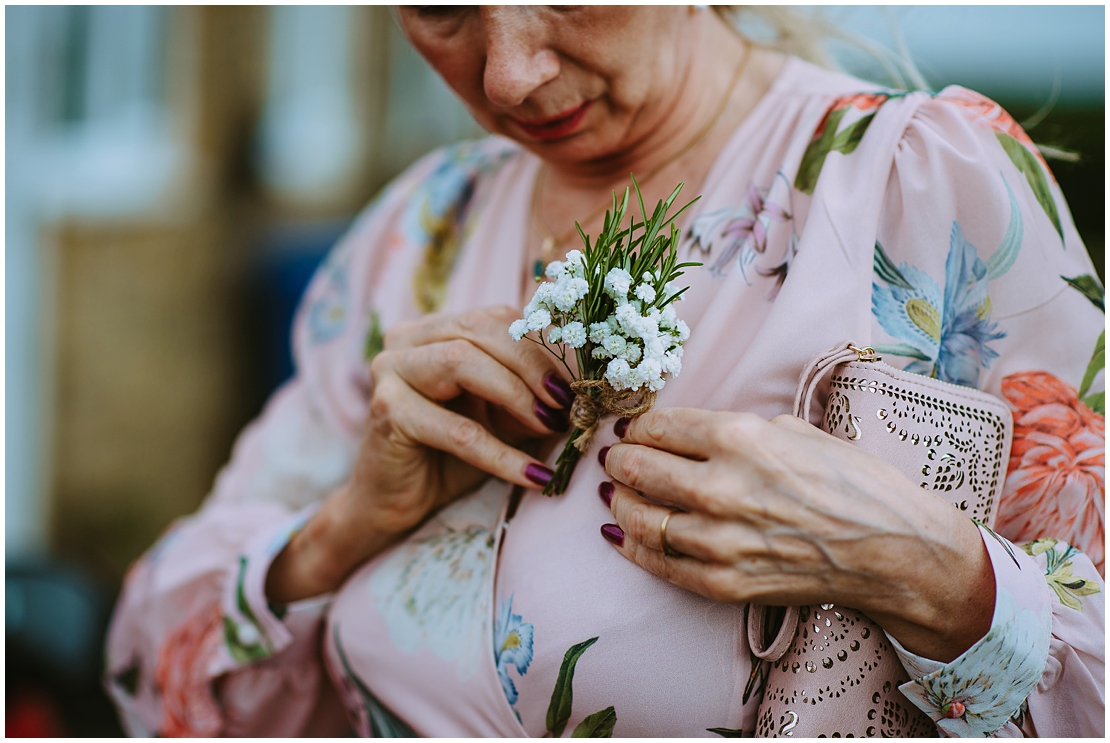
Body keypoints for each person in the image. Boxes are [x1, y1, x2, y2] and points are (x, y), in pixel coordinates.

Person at [104, 7, 1104, 737]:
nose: (508, 75)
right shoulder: (415, 239)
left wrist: (922, 567)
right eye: (441, 8)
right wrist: (348, 525)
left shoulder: (917, 187)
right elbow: (153, 677)